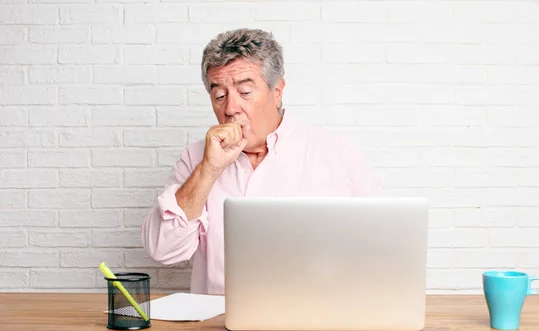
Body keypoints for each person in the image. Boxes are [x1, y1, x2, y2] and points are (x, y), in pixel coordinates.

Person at [141, 28, 382, 295]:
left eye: (244, 92)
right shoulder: (197, 159)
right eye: (219, 96)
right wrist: (209, 170)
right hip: (217, 325)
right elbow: (163, 250)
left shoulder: (336, 153)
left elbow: (379, 249)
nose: (230, 108)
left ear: (277, 90)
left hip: (313, 319)